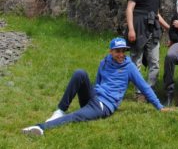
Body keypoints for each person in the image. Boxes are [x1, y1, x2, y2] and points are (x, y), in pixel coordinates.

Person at [21, 38, 169, 137]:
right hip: (94, 97)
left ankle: (40, 127)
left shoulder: (129, 67)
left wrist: (159, 107)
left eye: (123, 51)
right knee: (80, 73)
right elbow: (98, 82)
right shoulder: (103, 63)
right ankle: (60, 110)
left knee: (76, 116)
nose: (121, 54)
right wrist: (93, 94)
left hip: (104, 106)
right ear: (111, 51)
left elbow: (145, 87)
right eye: (118, 51)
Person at [125, 0, 169, 100]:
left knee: (154, 61)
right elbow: (129, 9)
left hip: (153, 28)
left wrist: (168, 27)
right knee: (136, 61)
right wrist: (131, 29)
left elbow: (156, 14)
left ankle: (149, 90)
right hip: (138, 26)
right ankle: (139, 93)